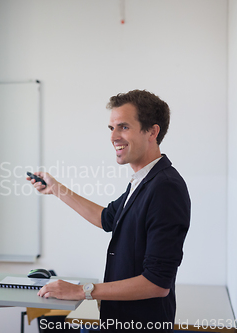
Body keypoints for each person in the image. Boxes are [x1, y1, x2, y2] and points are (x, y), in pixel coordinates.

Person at [28, 90, 190, 332]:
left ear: (152, 132)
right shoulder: (143, 181)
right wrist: (56, 188)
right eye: (111, 128)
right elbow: (107, 218)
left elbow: (157, 283)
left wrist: (82, 291)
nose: (114, 136)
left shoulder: (165, 187)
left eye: (123, 127)